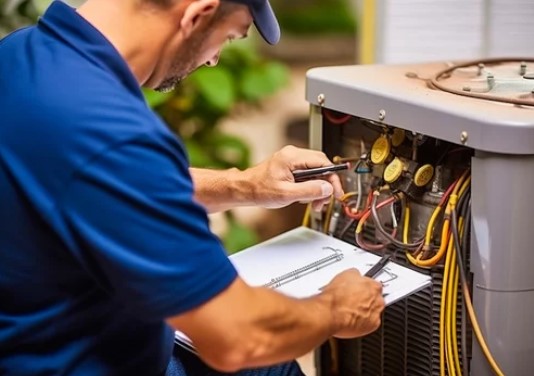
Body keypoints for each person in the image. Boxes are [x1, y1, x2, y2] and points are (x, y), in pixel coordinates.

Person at [0, 0, 385, 375]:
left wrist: (246, 185)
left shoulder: (22, 53)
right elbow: (239, 338)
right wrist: (336, 307)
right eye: (230, 36)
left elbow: (101, 183)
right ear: (197, 15)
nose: (214, 59)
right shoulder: (109, 130)